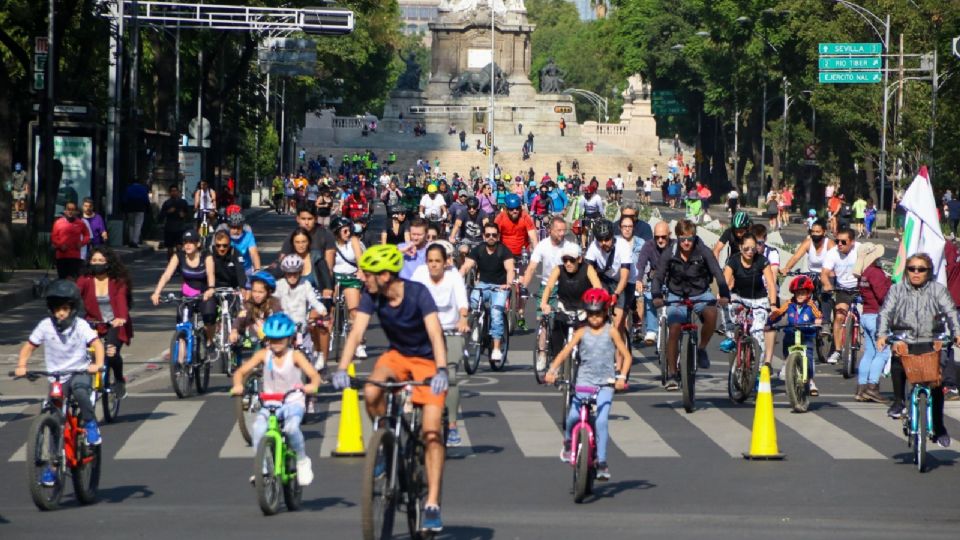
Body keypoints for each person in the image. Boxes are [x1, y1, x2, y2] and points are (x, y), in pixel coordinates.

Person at [332, 244, 450, 532]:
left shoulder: (418, 293)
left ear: (385, 275)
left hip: (427, 360)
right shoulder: (372, 296)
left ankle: (432, 503)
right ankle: (384, 440)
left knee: (432, 432)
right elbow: (357, 332)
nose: (364, 278)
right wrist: (340, 368)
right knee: (371, 391)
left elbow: (435, 333)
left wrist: (442, 370)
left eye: (369, 273)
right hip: (396, 355)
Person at [16, 279, 106, 469]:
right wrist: (22, 365)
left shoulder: (81, 325)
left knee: (80, 391)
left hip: (79, 371)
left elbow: (97, 345)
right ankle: (52, 467)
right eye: (57, 309)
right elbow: (29, 346)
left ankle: (90, 424)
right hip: (56, 376)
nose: (61, 313)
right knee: (54, 418)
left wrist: (97, 364)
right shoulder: (45, 326)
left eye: (65, 308)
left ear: (73, 309)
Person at [544, 288, 631, 481]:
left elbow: (627, 356)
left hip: (606, 383)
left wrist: (622, 377)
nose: (594, 318)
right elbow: (565, 352)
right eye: (591, 314)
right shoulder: (581, 332)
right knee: (573, 417)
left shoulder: (612, 332)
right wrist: (552, 370)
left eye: (598, 313)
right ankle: (568, 442)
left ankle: (601, 462)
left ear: (605, 312)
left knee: (600, 421)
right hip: (583, 381)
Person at [876, 253, 960, 447]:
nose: (916, 273)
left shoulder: (938, 290)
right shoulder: (896, 290)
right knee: (898, 359)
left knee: (936, 383)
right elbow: (886, 312)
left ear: (929, 272)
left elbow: (951, 312)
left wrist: (956, 333)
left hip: (931, 338)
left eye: (921, 269)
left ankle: (939, 427)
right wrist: (882, 334)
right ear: (906, 271)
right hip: (904, 337)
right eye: (911, 269)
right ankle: (898, 402)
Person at [231, 313, 321, 486]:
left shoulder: (295, 356)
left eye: (280, 340)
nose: (276, 344)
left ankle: (302, 461)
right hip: (271, 402)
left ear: (289, 339)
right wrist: (238, 385)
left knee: (292, 428)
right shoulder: (264, 355)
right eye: (272, 340)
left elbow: (313, 375)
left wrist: (312, 386)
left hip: (293, 401)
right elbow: (240, 372)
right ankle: (262, 470)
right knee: (258, 429)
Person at [652, 219, 730, 389]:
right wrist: (656, 295)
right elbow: (658, 276)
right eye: (682, 239)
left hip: (700, 293)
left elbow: (717, 272)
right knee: (673, 328)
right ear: (678, 238)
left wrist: (724, 293)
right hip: (676, 295)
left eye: (690, 238)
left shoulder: (703, 251)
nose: (686, 243)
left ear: (694, 238)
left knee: (711, 313)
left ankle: (701, 348)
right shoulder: (669, 253)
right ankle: (672, 374)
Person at [413, 242, 470, 447]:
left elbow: (462, 302)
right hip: (425, 331)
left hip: (450, 330)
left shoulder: (454, 275)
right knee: (419, 375)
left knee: (451, 376)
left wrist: (463, 319)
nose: (434, 265)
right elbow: (411, 298)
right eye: (430, 261)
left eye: (438, 261)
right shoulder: (419, 274)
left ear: (446, 262)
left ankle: (453, 425)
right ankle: (418, 419)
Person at [77, 247, 133, 398]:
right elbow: (74, 295)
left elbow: (121, 300)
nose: (97, 264)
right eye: (94, 260)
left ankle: (120, 379)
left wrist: (121, 318)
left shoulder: (118, 281)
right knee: (81, 352)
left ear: (109, 263)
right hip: (93, 323)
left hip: (115, 324)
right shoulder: (85, 280)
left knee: (111, 351)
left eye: (101, 261)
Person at [719, 234, 777, 367]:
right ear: (740, 248)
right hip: (738, 297)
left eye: (753, 248)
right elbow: (725, 281)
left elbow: (771, 284)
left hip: (759, 300)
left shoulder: (762, 261)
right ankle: (731, 338)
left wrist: (772, 305)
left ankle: (758, 370)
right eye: (746, 249)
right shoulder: (733, 260)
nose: (750, 252)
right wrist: (722, 296)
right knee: (725, 308)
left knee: (758, 336)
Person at [460, 222, 515, 361]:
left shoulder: (504, 251)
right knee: (473, 300)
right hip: (483, 285)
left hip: (500, 287)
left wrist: (508, 284)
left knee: (496, 314)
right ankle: (478, 325)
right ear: (483, 236)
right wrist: (458, 277)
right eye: (488, 235)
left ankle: (496, 348)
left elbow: (510, 269)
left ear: (498, 237)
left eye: (494, 235)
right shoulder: (478, 249)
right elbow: (467, 266)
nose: (491, 237)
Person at [151, 230, 218, 344]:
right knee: (181, 324)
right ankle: (181, 357)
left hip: (204, 294)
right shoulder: (179, 256)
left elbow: (211, 274)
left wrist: (211, 289)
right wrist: (157, 292)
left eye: (191, 242)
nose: (187, 245)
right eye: (185, 242)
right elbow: (167, 275)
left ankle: (210, 343)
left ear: (198, 244)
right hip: (187, 295)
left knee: (209, 320)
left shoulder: (206, 255)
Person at [768, 275, 823, 396]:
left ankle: (810, 381)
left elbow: (818, 315)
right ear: (793, 293)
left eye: (803, 292)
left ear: (809, 293)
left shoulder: (811, 305)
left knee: (808, 357)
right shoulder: (789, 303)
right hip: (791, 333)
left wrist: (818, 321)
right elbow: (778, 313)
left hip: (806, 334)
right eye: (798, 293)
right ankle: (786, 364)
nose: (800, 295)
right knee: (786, 347)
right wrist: (769, 322)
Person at [853, 244, 891, 402]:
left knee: (869, 352)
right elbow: (883, 296)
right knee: (882, 352)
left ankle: (861, 389)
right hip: (877, 316)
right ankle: (872, 387)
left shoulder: (864, 273)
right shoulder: (875, 273)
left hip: (867, 315)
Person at [585, 220, 632, 345]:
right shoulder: (594, 246)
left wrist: (616, 294)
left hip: (622, 282)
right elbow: (588, 271)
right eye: (600, 240)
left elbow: (624, 277)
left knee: (618, 323)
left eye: (606, 239)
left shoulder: (623, 245)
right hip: (604, 280)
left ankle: (621, 351)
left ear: (612, 236)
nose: (603, 243)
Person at [495, 194, 538, 328]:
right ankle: (502, 306)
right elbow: (495, 235)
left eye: (517, 208)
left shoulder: (525, 216)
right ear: (506, 209)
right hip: (505, 254)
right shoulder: (500, 217)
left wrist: (536, 252)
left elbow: (533, 237)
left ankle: (520, 312)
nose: (515, 211)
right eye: (512, 209)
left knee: (523, 285)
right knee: (503, 282)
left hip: (521, 253)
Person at [820, 228, 860, 365]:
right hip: (843, 289)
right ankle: (837, 350)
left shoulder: (861, 250)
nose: (840, 244)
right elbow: (824, 273)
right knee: (839, 317)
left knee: (869, 319)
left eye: (844, 241)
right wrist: (827, 284)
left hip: (861, 288)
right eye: (837, 241)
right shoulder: (832, 253)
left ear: (852, 242)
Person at [331, 217, 366, 357]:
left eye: (349, 229)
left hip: (351, 279)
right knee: (329, 309)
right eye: (344, 230)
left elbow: (360, 260)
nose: (347, 232)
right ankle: (330, 335)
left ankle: (359, 344)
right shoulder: (331, 244)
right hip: (335, 278)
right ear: (337, 231)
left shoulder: (354, 241)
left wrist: (361, 271)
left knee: (354, 312)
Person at [635, 221, 674, 344]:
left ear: (670, 235)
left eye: (663, 237)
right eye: (657, 237)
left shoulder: (676, 245)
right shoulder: (648, 245)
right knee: (648, 297)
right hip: (656, 279)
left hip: (674, 280)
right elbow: (641, 264)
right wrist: (638, 279)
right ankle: (652, 330)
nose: (660, 240)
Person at [278, 205, 336, 276]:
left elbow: (329, 265)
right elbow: (283, 260)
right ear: (298, 219)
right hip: (296, 276)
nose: (306, 223)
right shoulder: (292, 236)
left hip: (319, 277)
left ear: (316, 219)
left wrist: (327, 284)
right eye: (303, 219)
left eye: (309, 219)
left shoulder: (326, 234)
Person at [233, 271, 282, 347]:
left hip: (271, 342)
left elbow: (281, 322)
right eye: (254, 291)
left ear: (269, 292)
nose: (256, 295)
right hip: (251, 342)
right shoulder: (248, 305)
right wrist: (234, 330)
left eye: (260, 292)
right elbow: (239, 319)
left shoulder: (275, 305)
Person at [51, 200, 90, 280]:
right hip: (62, 255)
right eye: (68, 209)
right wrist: (60, 245)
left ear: (76, 212)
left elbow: (87, 236)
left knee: (73, 278)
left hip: (75, 255)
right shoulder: (58, 222)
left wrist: (82, 243)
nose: (70, 212)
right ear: (65, 211)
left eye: (73, 210)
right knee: (62, 279)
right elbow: (53, 237)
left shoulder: (80, 223)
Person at [449, 196, 489, 264]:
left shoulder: (482, 213)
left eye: (474, 207)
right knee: (463, 250)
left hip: (479, 240)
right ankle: (463, 267)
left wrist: (487, 237)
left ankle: (479, 272)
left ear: (477, 207)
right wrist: (452, 237)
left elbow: (487, 226)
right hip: (466, 239)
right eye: (469, 207)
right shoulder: (463, 213)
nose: (471, 210)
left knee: (482, 255)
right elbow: (457, 225)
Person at [160, 185, 190, 259]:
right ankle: (170, 263)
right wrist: (168, 211)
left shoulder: (183, 202)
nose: (174, 193)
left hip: (180, 228)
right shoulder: (167, 203)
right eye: (172, 191)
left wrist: (184, 214)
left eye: (175, 191)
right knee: (170, 249)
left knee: (179, 247)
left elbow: (188, 214)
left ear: (178, 192)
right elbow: (161, 215)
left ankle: (180, 263)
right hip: (169, 228)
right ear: (169, 193)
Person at [123, 178, 150, 247]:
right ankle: (135, 241)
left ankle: (131, 240)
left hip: (130, 208)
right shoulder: (143, 188)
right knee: (138, 225)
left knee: (131, 225)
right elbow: (146, 200)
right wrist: (148, 209)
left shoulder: (129, 188)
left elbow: (125, 199)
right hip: (140, 208)